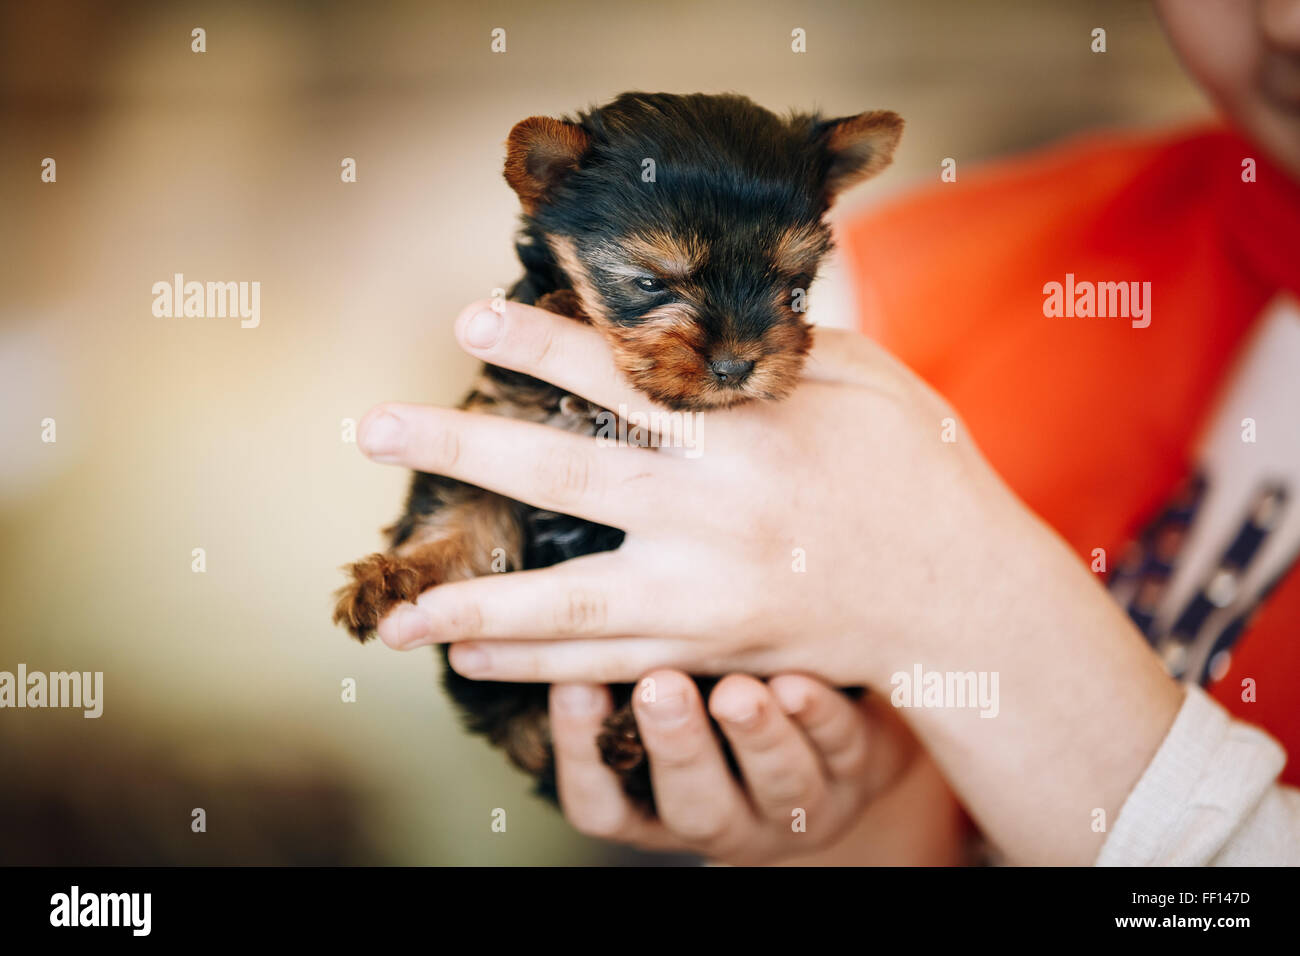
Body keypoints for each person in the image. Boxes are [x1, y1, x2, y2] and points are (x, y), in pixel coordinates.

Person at [354, 0, 1300, 864]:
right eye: (655, 286)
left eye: (786, 290)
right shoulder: (928, 269)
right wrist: (855, 823)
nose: (1287, 22)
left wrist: (959, 610)